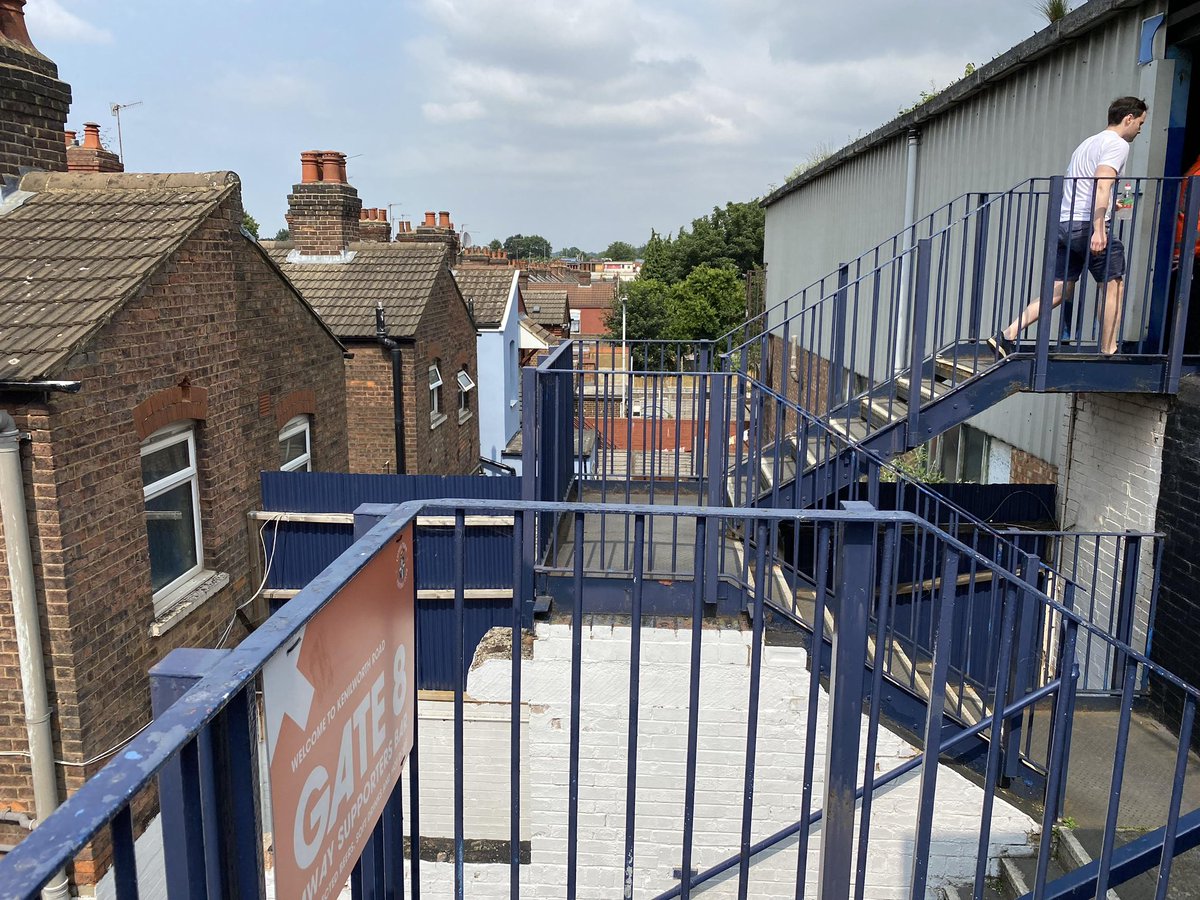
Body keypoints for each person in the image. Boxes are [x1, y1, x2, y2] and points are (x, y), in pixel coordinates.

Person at [989, 96, 1148, 357]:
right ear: (1128, 118)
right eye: (1140, 123)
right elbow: (1102, 185)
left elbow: (1085, 187)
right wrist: (1099, 230)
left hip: (1065, 223)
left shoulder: (1087, 143)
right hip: (1087, 225)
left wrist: (1111, 205)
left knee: (1059, 290)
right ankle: (1109, 349)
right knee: (1113, 284)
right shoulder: (1117, 144)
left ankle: (1006, 335)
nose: (1140, 129)